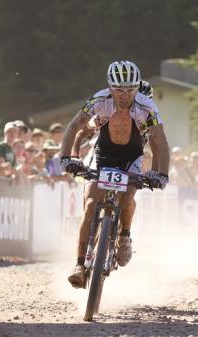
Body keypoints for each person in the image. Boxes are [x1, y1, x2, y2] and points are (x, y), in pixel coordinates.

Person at [60, 60, 170, 288]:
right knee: (91, 205)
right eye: (119, 89)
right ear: (111, 87)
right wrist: (68, 158)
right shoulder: (101, 103)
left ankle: (124, 236)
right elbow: (77, 128)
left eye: (130, 89)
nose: (125, 94)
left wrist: (160, 173)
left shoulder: (146, 106)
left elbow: (159, 141)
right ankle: (80, 264)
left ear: (137, 88)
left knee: (128, 196)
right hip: (103, 155)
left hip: (132, 158)